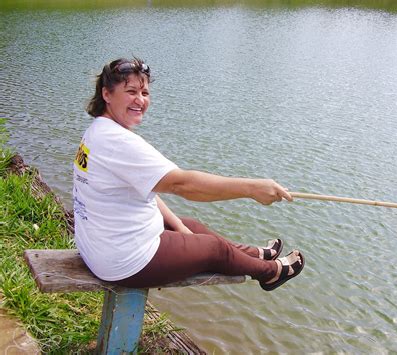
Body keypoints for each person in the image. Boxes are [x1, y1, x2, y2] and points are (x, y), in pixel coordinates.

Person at [73, 57, 304, 292]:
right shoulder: (117, 142)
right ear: (107, 94)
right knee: (214, 248)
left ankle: (257, 254)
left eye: (145, 92)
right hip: (123, 261)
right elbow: (183, 185)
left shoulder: (98, 132)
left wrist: (180, 228)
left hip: (101, 248)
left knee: (190, 225)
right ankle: (270, 273)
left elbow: (145, 188)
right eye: (131, 91)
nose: (140, 100)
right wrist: (251, 188)